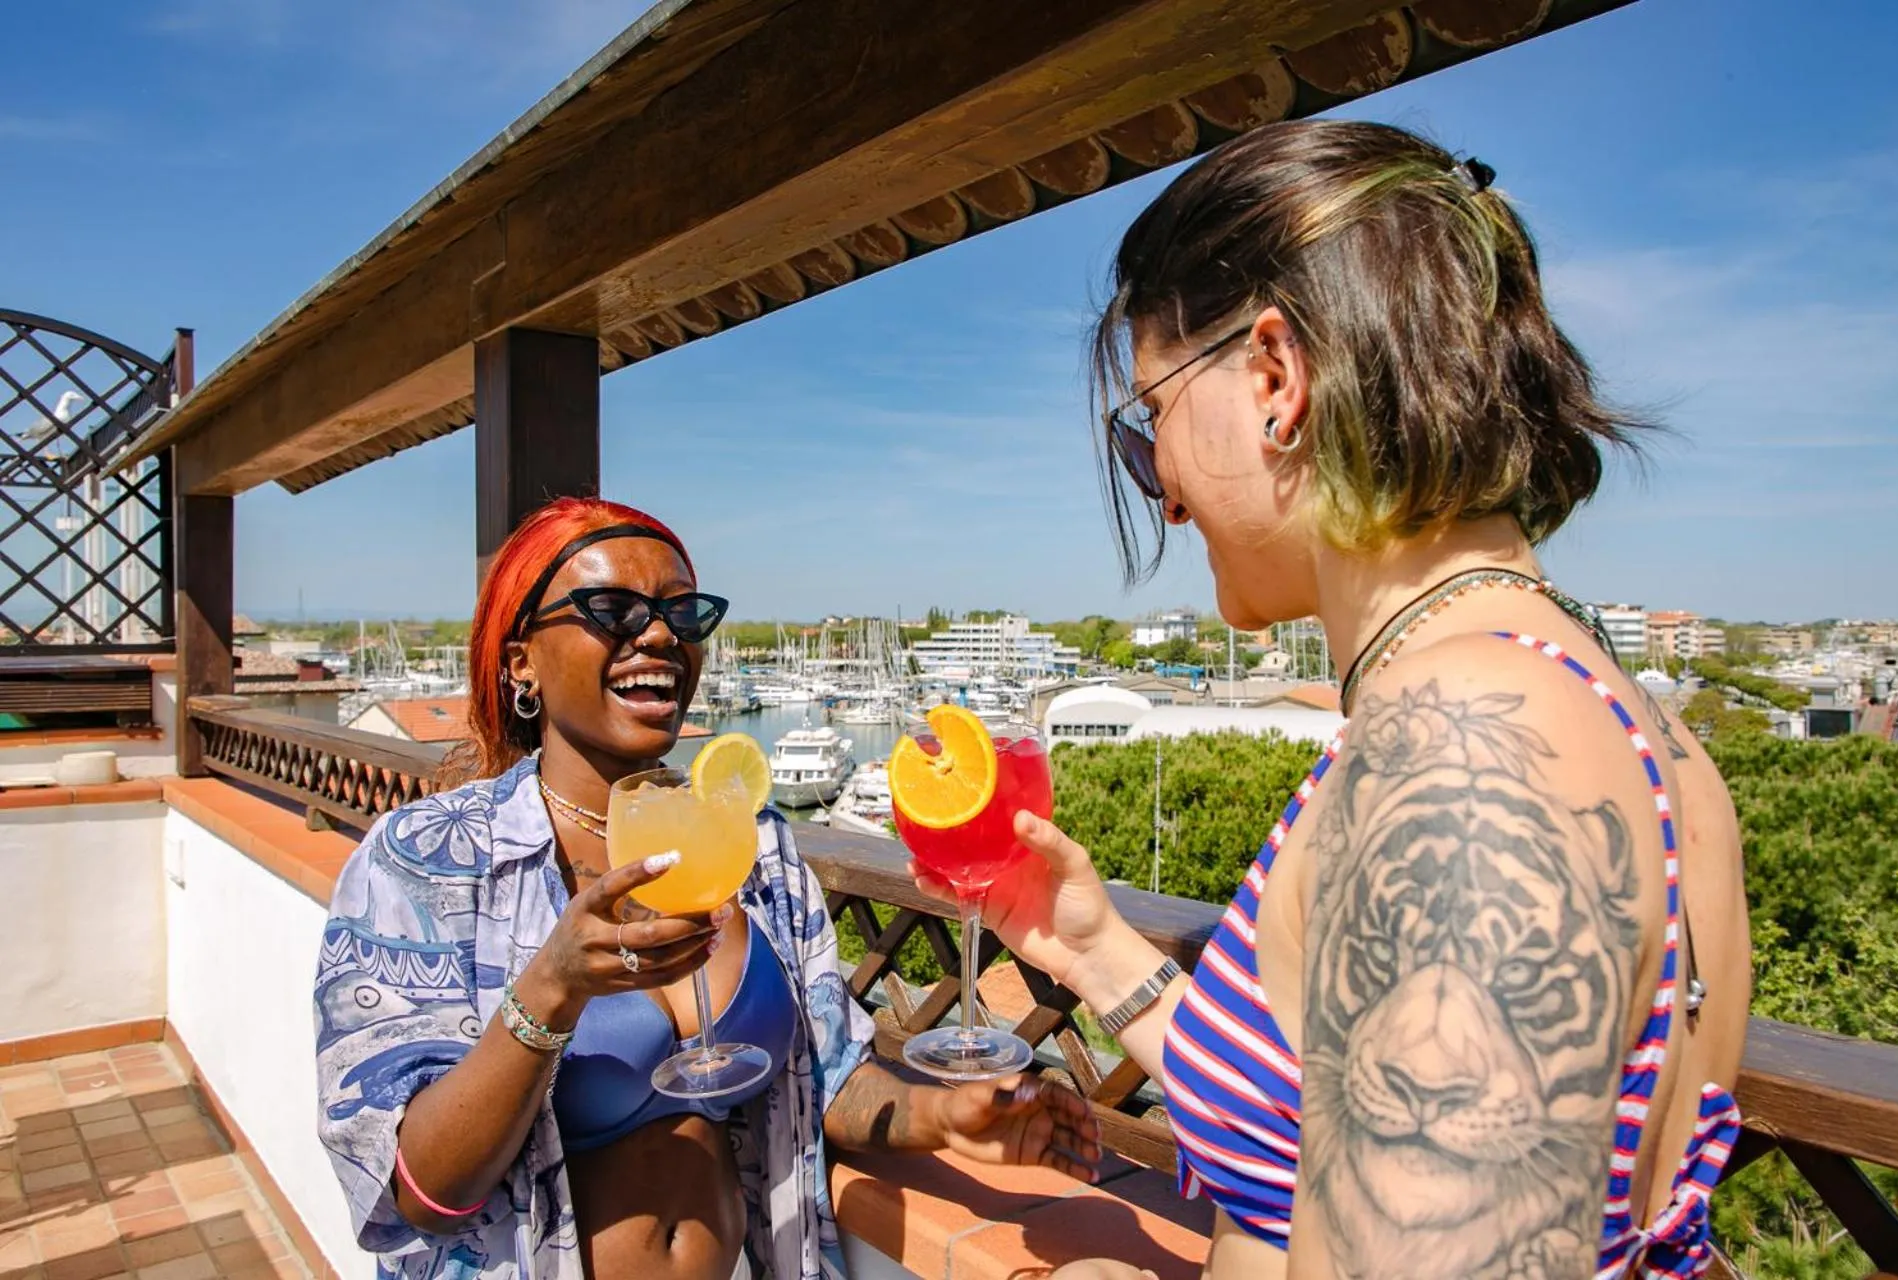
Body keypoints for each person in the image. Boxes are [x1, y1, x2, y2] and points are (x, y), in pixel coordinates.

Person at [915, 120, 1751, 1279]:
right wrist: (1096, 948)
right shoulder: (1615, 717)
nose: (1160, 490)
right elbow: (1319, 1119)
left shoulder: (1463, 763)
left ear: (1272, 377)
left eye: (1148, 417)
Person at [316, 496, 1100, 1280]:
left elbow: (824, 1076)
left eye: (681, 614)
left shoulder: (751, 843)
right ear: (522, 660)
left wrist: (944, 1118)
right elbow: (419, 1192)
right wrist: (549, 994)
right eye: (612, 609)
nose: (657, 634)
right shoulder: (431, 860)